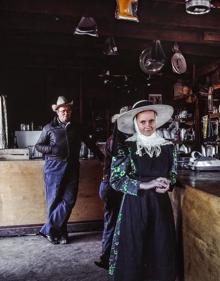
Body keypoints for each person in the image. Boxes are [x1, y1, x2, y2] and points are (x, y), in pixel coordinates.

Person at [108, 100, 177, 281]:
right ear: (136, 123)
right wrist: (146, 185)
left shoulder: (168, 147)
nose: (148, 126)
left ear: (156, 121)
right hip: (134, 205)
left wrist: (169, 184)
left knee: (160, 249)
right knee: (134, 250)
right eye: (143, 122)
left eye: (151, 121)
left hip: (160, 207)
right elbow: (116, 180)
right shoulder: (126, 147)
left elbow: (173, 174)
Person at [35, 96, 104, 245]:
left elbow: (90, 143)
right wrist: (52, 149)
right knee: (54, 201)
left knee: (69, 200)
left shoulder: (77, 127)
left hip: (72, 167)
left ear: (70, 112)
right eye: (62, 111)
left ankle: (49, 230)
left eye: (68, 110)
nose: (65, 113)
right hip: (53, 168)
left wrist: (102, 157)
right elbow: (38, 146)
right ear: (57, 112)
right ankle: (60, 233)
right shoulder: (49, 128)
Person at [95, 106, 129, 270]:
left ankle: (107, 257)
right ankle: (107, 258)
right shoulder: (119, 141)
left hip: (107, 185)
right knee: (114, 223)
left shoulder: (114, 138)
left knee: (111, 222)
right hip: (113, 187)